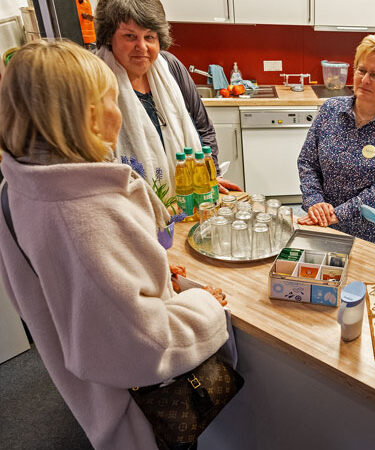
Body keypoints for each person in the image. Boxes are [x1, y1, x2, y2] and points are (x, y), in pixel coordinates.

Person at [0, 40, 229, 450]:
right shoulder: (84, 213)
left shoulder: (15, 188)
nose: (120, 112)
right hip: (143, 413)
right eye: (113, 99)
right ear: (87, 117)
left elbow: (49, 291)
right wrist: (207, 307)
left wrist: (147, 274)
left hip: (87, 392)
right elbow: (149, 346)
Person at [93, 0, 238, 193]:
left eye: (150, 37)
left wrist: (210, 174)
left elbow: (203, 128)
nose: (142, 47)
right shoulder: (94, 76)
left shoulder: (170, 66)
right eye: (130, 36)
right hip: (127, 202)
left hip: (187, 196)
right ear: (109, 37)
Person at [297, 34, 375, 252]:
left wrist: (337, 214)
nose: (364, 80)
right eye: (361, 71)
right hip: (327, 228)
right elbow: (307, 163)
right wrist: (315, 202)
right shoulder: (330, 110)